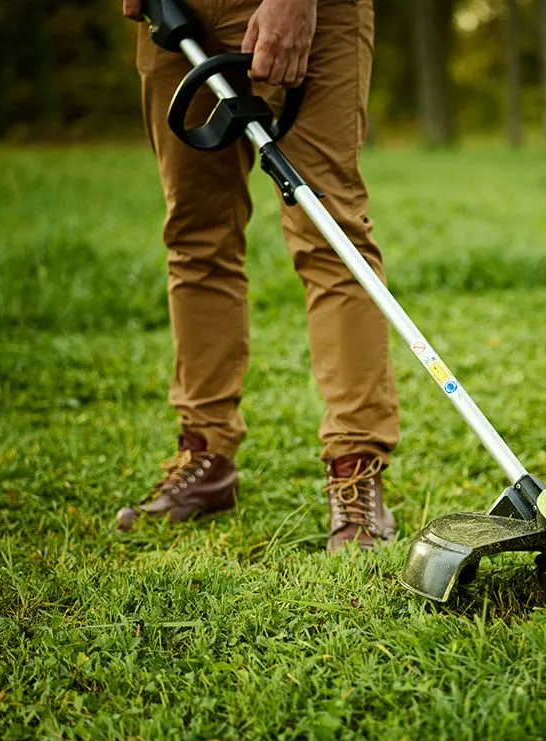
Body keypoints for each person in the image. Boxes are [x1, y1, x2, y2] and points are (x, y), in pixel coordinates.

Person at [114, 0, 399, 552]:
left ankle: (355, 469)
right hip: (175, 11)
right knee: (196, 235)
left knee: (331, 234)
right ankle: (205, 455)